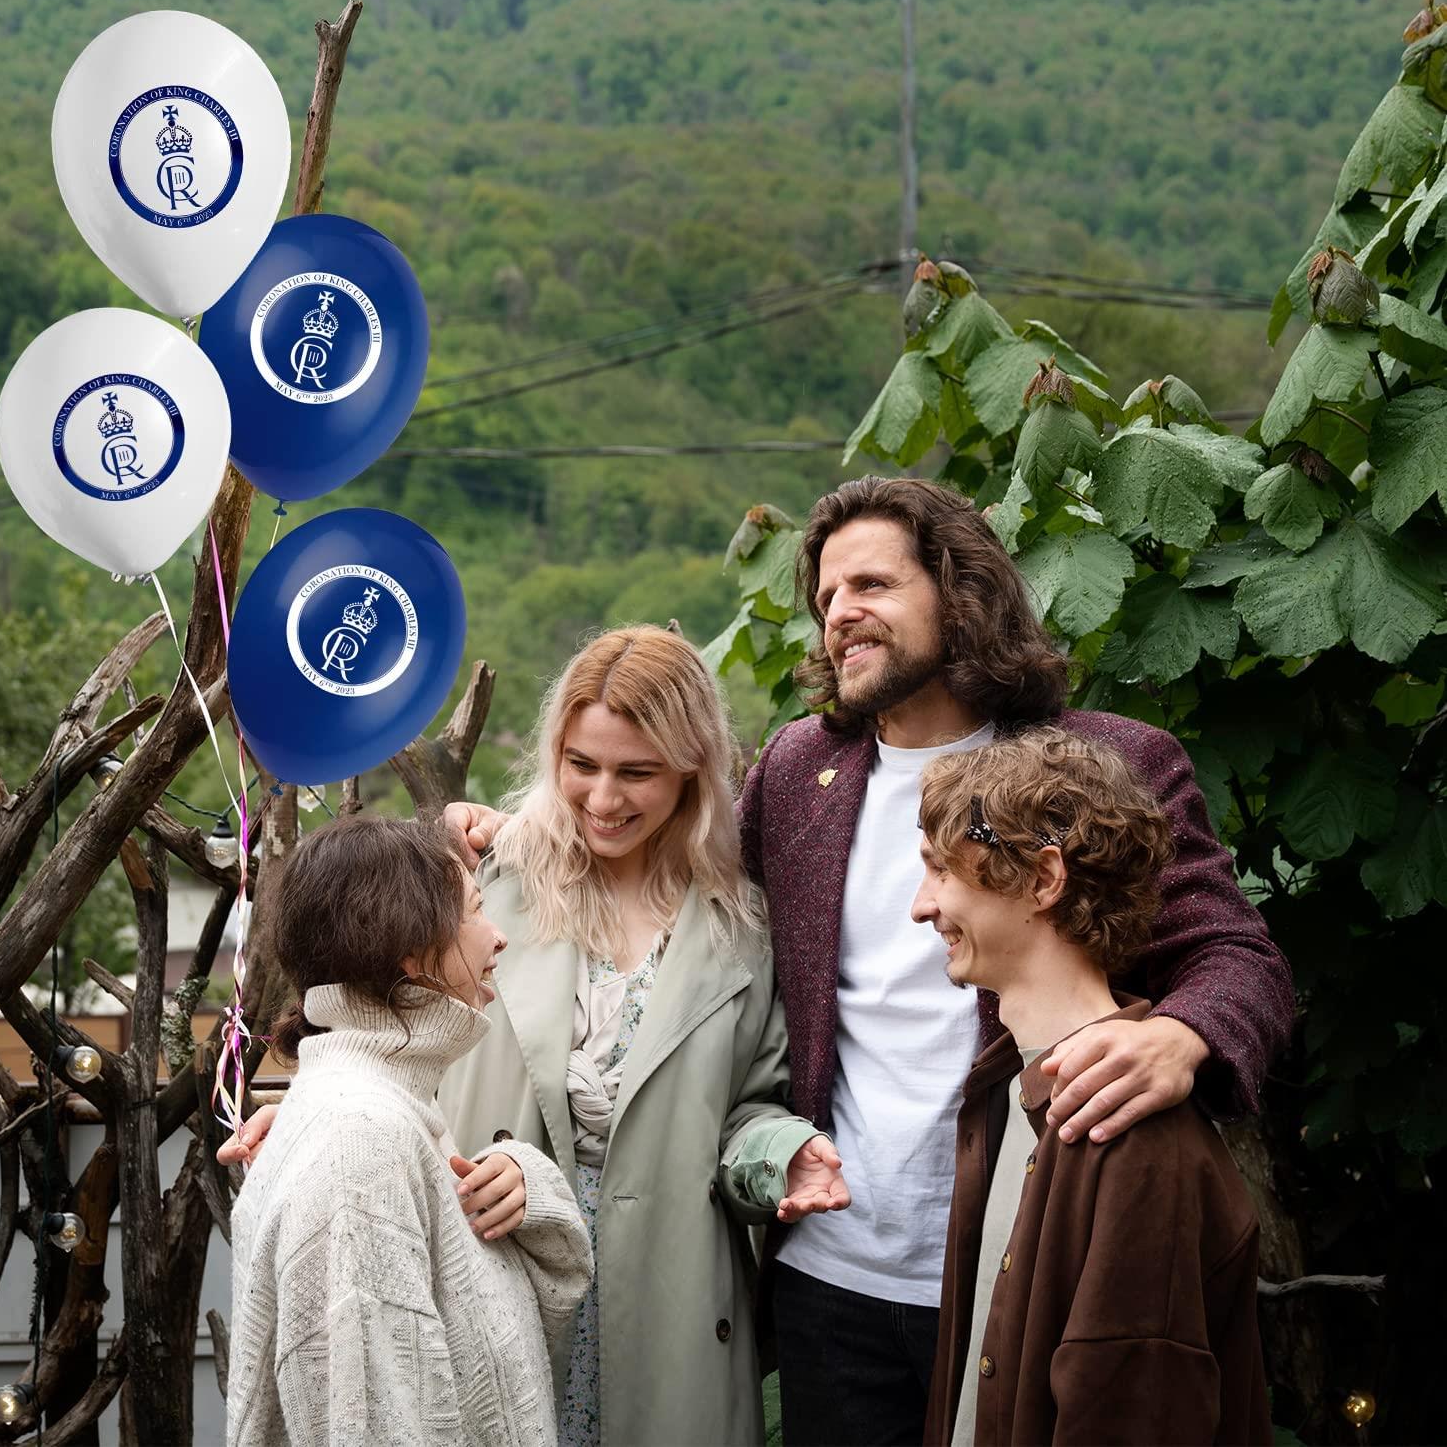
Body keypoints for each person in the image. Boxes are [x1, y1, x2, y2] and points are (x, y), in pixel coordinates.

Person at [447, 476, 1293, 1446]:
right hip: (831, 1276)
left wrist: (1186, 1036)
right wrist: (515, 837)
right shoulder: (797, 772)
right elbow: (665, 869)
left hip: (1019, 1260)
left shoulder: (1104, 763)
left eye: (872, 585)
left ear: (961, 590)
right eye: (826, 597)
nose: (840, 611)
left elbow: (1238, 955)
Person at [225, 627, 851, 1447]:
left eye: (637, 773)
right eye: (581, 764)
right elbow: (389, 1028)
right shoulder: (484, 875)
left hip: (672, 1300)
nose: (603, 798)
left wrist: (779, 1156)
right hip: (491, 1261)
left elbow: (745, 1109)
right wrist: (319, 1116)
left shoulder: (741, 924)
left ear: (692, 768)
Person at [912, 729, 1270, 1445]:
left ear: (1044, 880)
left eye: (941, 871)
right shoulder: (1001, 1088)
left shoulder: (1135, 1141)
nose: (921, 907)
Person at [224, 816, 593, 1447]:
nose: (499, 936)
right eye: (477, 910)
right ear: (412, 953)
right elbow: (367, 1422)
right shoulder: (360, 1140)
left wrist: (529, 1185)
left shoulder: (387, 1104)